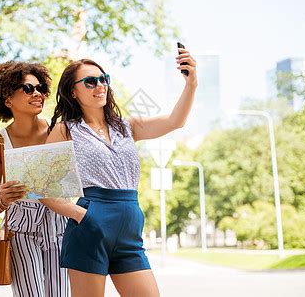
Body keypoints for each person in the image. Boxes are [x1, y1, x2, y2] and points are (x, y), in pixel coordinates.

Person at [44, 47, 197, 296]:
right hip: (91, 226)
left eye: (104, 79)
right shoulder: (65, 130)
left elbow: (174, 121)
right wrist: (81, 214)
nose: (100, 85)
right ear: (73, 91)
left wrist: (191, 84)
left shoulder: (128, 126)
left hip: (129, 230)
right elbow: (41, 186)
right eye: (90, 81)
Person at [0, 61, 69, 297]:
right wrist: (0, 200)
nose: (38, 93)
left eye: (40, 87)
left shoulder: (59, 131)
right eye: (28, 88)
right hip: (20, 230)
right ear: (7, 99)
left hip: (59, 224)